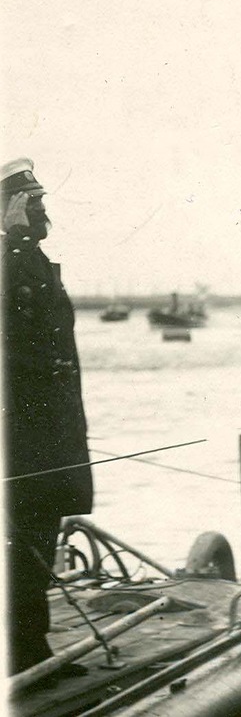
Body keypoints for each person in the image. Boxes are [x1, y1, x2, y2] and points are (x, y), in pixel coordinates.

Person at [3, 158, 95, 675]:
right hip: (19, 436)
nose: (40, 210)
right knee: (22, 543)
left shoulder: (32, 261)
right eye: (29, 202)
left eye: (40, 201)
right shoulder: (11, 259)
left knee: (38, 537)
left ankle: (32, 647)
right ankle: (24, 654)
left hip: (50, 432)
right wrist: (13, 241)